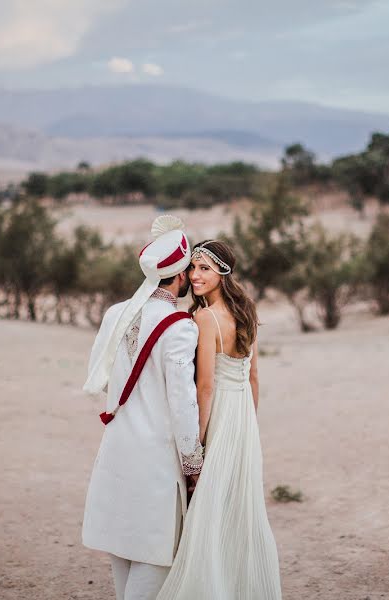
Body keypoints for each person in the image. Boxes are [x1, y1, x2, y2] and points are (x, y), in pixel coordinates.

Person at [82, 216, 205, 600]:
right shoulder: (180, 326)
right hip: (156, 462)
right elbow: (183, 402)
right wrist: (193, 463)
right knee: (154, 561)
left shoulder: (115, 313)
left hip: (116, 451)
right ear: (181, 275)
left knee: (121, 552)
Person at [157, 239, 282, 600]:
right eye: (192, 268)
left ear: (222, 273)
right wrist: (248, 427)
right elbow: (253, 376)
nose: (195, 275)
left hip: (221, 414)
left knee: (209, 508)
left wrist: (196, 442)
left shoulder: (204, 318)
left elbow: (205, 388)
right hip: (243, 416)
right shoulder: (246, 310)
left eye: (204, 269)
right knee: (240, 507)